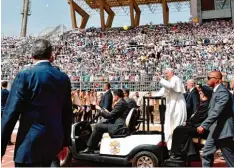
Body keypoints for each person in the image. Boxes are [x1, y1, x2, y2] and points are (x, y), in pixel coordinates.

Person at [1, 39, 73, 167]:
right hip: (54, 144)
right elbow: (67, 113)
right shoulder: (63, 78)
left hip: (29, 145)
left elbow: (10, 114)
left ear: (32, 56)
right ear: (51, 56)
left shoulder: (25, 76)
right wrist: (65, 143)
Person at [165, 86, 212, 163]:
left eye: (200, 92)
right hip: (197, 125)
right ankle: (190, 153)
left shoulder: (206, 105)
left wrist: (187, 123)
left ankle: (177, 153)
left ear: (203, 94)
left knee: (179, 130)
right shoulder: (204, 103)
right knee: (181, 129)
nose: (199, 94)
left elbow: (198, 118)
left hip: (201, 129)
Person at [197, 71, 234, 167]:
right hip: (216, 130)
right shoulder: (216, 91)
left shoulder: (222, 92)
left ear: (217, 79)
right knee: (206, 153)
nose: (207, 79)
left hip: (224, 131)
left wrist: (204, 125)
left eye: (209, 77)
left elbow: (216, 111)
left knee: (230, 159)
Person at [155, 68, 187, 149]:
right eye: (165, 73)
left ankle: (177, 148)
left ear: (171, 73)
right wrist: (154, 96)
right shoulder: (169, 81)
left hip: (177, 105)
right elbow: (163, 91)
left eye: (166, 73)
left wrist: (160, 79)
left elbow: (171, 86)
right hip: (171, 106)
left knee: (176, 126)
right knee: (170, 126)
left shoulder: (176, 79)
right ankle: (171, 147)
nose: (165, 75)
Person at [1, 81, 14, 145]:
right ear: (6, 85)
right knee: (7, 125)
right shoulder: (8, 92)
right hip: (5, 110)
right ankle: (8, 140)